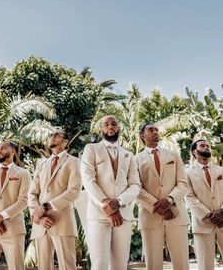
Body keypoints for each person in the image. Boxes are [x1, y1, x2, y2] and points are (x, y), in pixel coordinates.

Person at [81, 115, 141, 270]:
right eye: (106, 124)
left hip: (123, 215)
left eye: (114, 124)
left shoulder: (129, 154)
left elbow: (135, 184)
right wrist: (107, 205)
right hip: (99, 215)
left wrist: (119, 202)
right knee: (99, 264)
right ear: (102, 129)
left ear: (119, 128)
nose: (110, 127)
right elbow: (88, 180)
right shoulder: (91, 149)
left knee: (120, 265)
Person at [136, 123, 190, 270]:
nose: (155, 132)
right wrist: (157, 206)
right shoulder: (135, 159)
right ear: (142, 135)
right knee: (153, 264)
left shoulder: (174, 155)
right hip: (150, 215)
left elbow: (183, 183)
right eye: (151, 130)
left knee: (182, 263)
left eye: (156, 130)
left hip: (176, 214)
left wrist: (169, 200)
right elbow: (135, 188)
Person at [28, 129, 82, 270]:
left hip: (62, 222)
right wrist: (38, 216)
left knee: (68, 266)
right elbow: (32, 194)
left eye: (56, 135)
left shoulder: (74, 162)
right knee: (44, 267)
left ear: (65, 142)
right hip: (41, 224)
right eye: (51, 135)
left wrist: (46, 206)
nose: (52, 136)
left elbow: (74, 191)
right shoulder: (41, 164)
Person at [0, 141, 31, 270]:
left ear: (12, 151)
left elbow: (23, 200)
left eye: (2, 148)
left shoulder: (23, 173)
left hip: (13, 230)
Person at [185, 139, 223, 270]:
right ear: (194, 151)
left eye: (208, 146)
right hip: (202, 223)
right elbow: (188, 196)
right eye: (202, 146)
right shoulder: (187, 172)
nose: (206, 147)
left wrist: (221, 212)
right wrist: (208, 215)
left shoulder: (221, 170)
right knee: (205, 265)